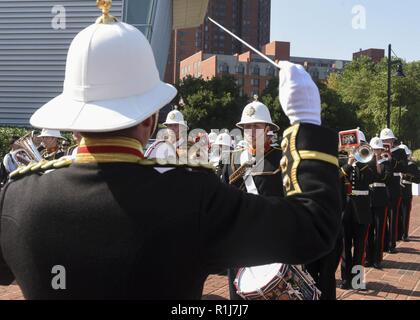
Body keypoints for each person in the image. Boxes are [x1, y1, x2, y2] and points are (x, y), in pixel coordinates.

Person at [0, 10, 340, 299]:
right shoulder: (192, 195)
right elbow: (313, 229)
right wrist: (305, 123)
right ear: (150, 118)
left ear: (73, 119)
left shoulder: (16, 197)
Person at [222, 99, 284, 300]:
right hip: (238, 240)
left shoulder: (281, 159)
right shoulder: (232, 159)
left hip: (270, 239)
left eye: (256, 126)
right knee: (237, 294)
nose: (250, 131)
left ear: (267, 129)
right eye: (246, 126)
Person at [340, 130, 374, 290]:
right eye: (354, 146)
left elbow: (370, 179)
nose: (356, 148)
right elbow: (336, 178)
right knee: (345, 247)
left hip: (362, 209)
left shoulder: (368, 162)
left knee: (360, 247)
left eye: (359, 146)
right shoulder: (341, 161)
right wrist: (349, 162)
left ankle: (357, 280)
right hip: (346, 209)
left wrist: (359, 162)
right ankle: (346, 280)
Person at [380, 128, 408, 253]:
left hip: (394, 186)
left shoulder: (400, 151)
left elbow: (404, 167)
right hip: (381, 187)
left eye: (388, 139)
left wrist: (391, 159)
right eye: (384, 140)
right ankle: (383, 243)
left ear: (393, 140)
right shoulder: (377, 150)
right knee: (381, 217)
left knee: (393, 215)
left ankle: (391, 244)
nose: (387, 141)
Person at [366, 137, 392, 269]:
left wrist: (377, 162)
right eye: (374, 149)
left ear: (382, 149)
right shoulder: (366, 161)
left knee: (380, 229)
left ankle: (377, 258)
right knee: (368, 230)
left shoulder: (386, 162)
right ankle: (368, 257)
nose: (376, 151)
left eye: (378, 149)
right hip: (369, 198)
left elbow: (385, 177)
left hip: (381, 198)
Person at [399, 144, 420, 241]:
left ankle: (404, 234)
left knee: (405, 213)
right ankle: (397, 234)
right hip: (396, 190)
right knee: (396, 214)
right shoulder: (396, 164)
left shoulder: (412, 165)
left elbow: (418, 179)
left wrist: (406, 176)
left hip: (406, 190)